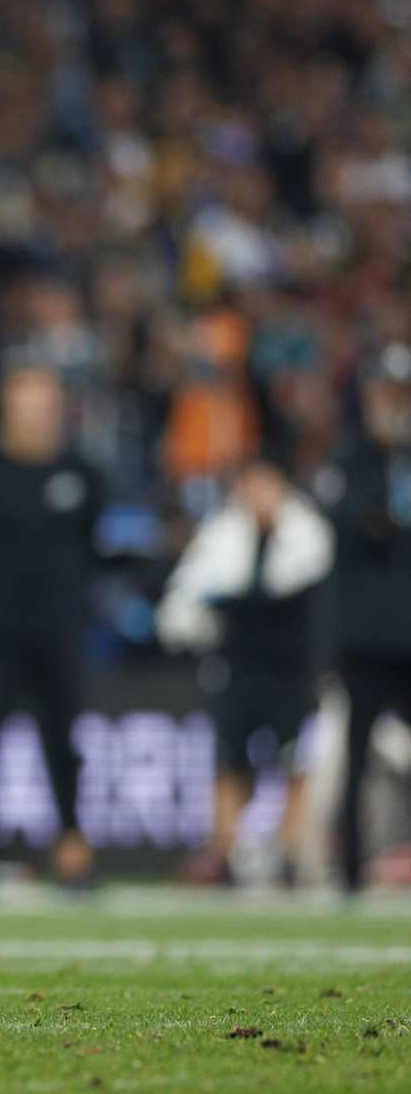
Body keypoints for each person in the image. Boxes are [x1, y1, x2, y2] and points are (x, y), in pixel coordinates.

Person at [0, 365, 100, 889]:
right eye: (26, 407)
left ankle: (73, 847)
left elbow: (95, 543)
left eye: (45, 407)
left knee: (63, 740)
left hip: (59, 631)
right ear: (7, 413)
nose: (37, 418)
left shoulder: (82, 472)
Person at [155, 458, 333, 886]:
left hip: (291, 666)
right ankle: (224, 852)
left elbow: (305, 592)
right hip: (237, 665)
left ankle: (291, 854)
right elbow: (187, 597)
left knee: (294, 760)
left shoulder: (307, 533)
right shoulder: (221, 534)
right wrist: (192, 626)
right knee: (229, 759)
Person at [330, 343, 411, 892]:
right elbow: (356, 526)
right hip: (364, 637)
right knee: (354, 755)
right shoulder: (351, 459)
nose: (393, 404)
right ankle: (350, 870)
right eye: (385, 392)